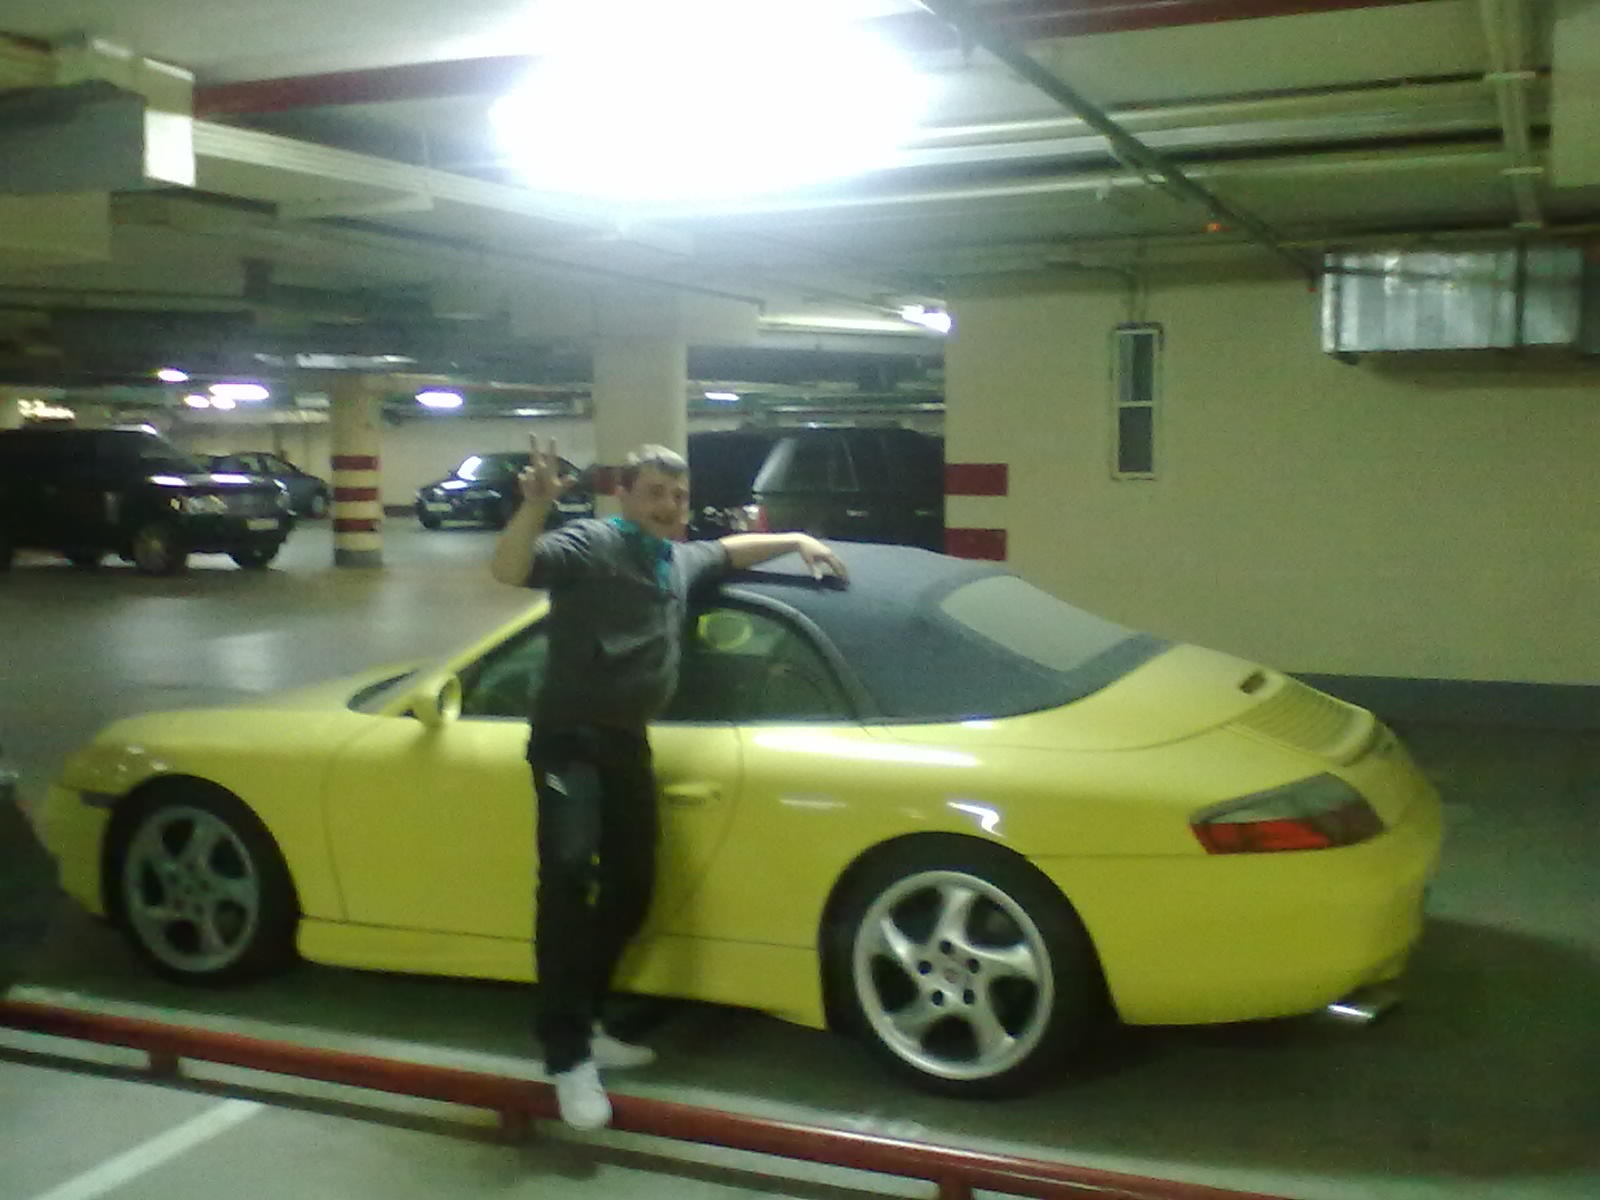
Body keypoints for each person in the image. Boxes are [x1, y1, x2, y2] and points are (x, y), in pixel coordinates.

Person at [489, 437, 848, 1130]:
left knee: (633, 886)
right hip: (569, 743)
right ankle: (566, 1056)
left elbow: (729, 551)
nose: (669, 506)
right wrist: (533, 508)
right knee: (568, 879)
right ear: (625, 495)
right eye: (654, 492)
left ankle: (586, 1020)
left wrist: (796, 538)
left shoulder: (674, 559)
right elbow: (511, 569)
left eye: (678, 496)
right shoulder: (595, 543)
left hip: (626, 744)